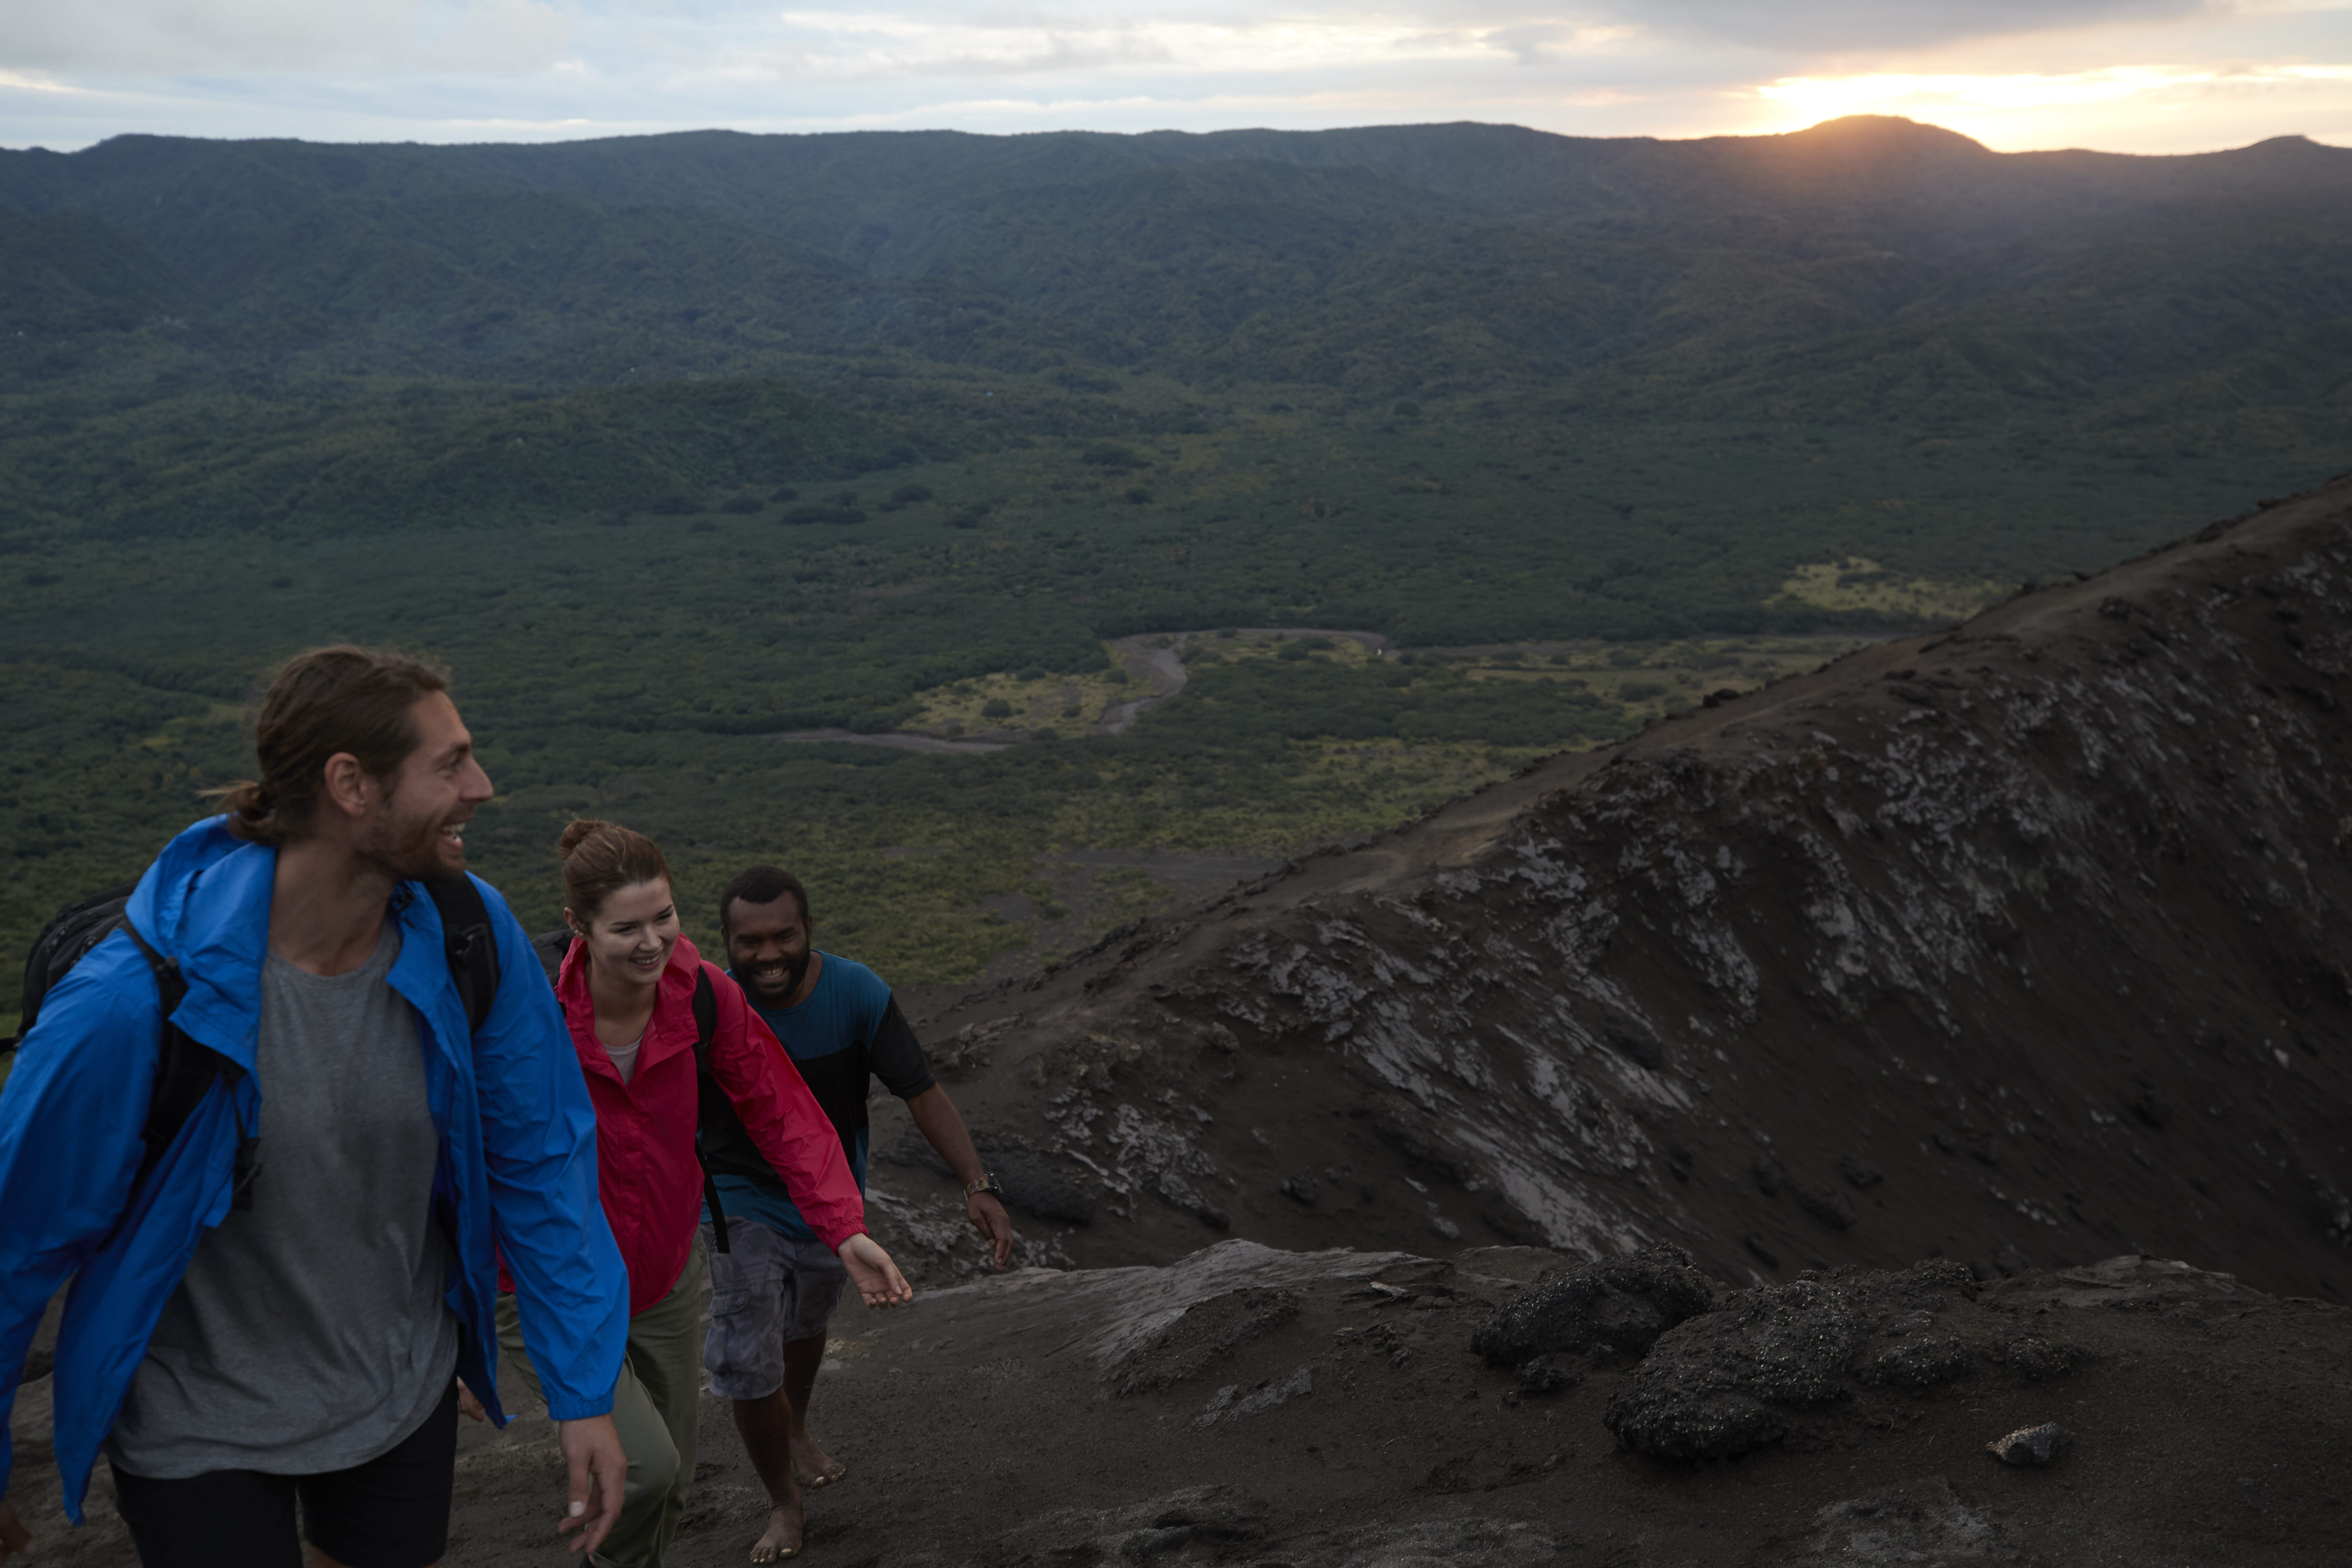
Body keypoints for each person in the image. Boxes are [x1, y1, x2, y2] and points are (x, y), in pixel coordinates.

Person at [0, 646, 631, 1568]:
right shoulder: (133, 1005)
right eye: (450, 763)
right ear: (351, 785)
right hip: (198, 1421)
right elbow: (17, 1238)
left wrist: (583, 1393)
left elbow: (541, 1159)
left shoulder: (468, 934)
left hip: (399, 1387)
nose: (483, 787)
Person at [508, 821, 912, 1568]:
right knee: (647, 1472)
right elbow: (466, 1152)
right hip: (548, 1277)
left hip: (660, 1272)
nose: (652, 942)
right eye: (625, 927)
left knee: (672, 1480)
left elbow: (777, 1106)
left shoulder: (702, 996)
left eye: (664, 917)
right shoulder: (529, 1014)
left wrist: (842, 1227)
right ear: (577, 928)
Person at [708, 866, 1014, 1564]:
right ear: (724, 941)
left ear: (808, 930)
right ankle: (785, 1500)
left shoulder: (856, 994)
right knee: (749, 1348)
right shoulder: (708, 1004)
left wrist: (978, 1183)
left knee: (807, 1323)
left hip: (830, 1198)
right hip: (735, 1193)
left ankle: (796, 1425)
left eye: (782, 936)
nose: (767, 955)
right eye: (748, 942)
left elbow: (921, 1090)